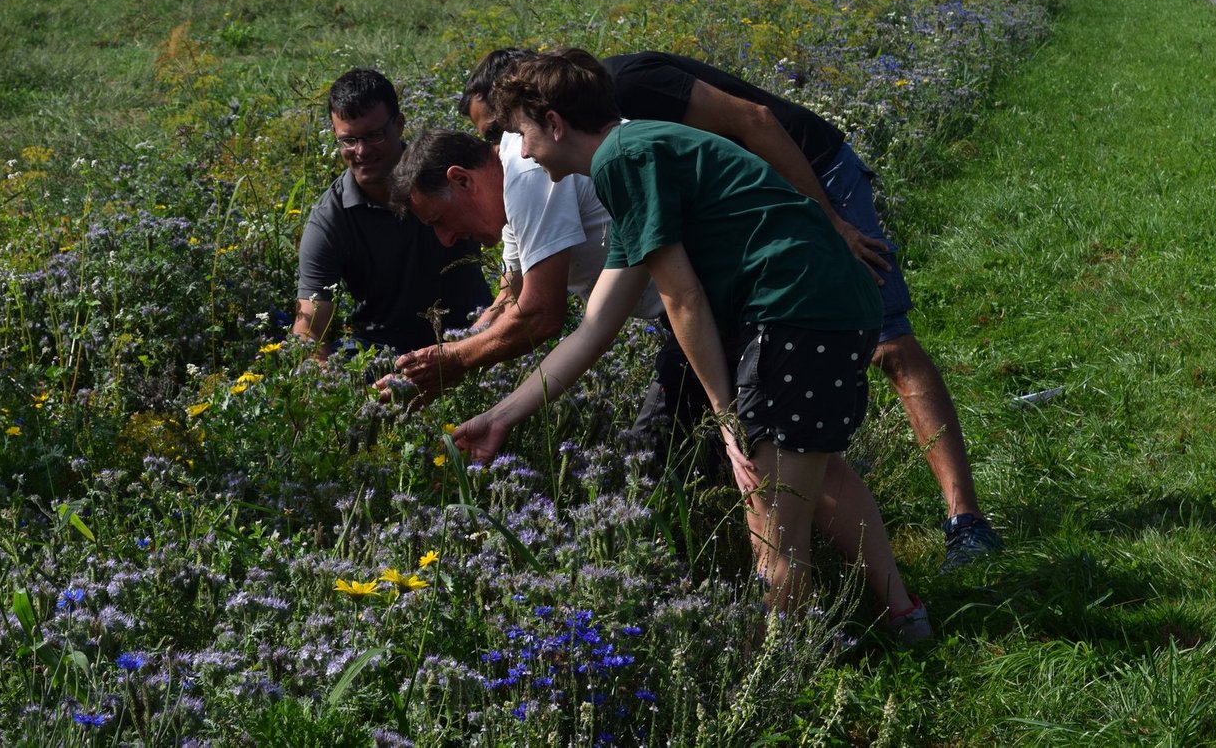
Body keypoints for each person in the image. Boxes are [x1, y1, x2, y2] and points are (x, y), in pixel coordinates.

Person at [466, 48, 1002, 573]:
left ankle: (794, 627)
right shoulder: (629, 152)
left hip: (796, 306)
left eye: (521, 135)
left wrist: (726, 417)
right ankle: (902, 610)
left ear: (555, 123)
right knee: (807, 468)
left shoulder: (622, 158)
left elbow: (683, 298)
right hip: (818, 300)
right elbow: (594, 327)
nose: (522, 154)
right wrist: (499, 417)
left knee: (771, 523)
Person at [382, 127, 661, 399]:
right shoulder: (510, 183)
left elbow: (540, 313)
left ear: (462, 180)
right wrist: (431, 368)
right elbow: (509, 300)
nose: (446, 239)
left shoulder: (527, 172)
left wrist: (455, 358)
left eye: (439, 220)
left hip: (685, 288)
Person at [292, 67, 492, 361]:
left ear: (398, 125)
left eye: (374, 136)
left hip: (475, 335)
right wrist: (321, 375)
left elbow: (518, 248)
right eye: (348, 140)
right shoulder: (331, 218)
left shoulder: (446, 173)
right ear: (335, 134)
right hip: (383, 354)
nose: (361, 151)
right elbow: (309, 326)